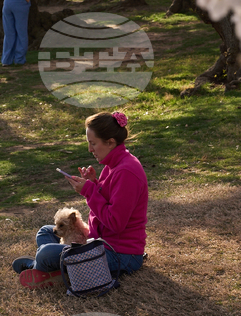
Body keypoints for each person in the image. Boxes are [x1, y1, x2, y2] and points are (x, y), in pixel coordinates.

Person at [13, 112, 148, 289]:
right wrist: (94, 183)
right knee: (45, 232)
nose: (90, 149)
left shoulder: (126, 172)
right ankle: (58, 268)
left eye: (93, 143)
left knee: (46, 252)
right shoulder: (113, 165)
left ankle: (40, 268)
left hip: (120, 254)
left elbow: (115, 223)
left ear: (110, 142)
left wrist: (89, 191)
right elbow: (110, 199)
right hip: (98, 241)